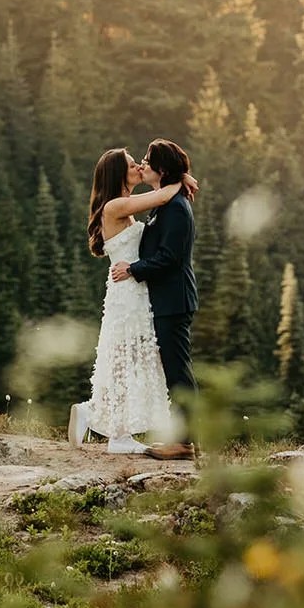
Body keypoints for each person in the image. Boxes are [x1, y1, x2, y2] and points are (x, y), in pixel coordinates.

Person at [68, 147, 197, 455]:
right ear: (117, 173)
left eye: (142, 163)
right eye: (131, 164)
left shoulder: (128, 207)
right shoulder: (116, 206)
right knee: (129, 359)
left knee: (130, 359)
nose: (139, 166)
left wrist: (177, 178)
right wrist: (180, 178)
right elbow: (163, 197)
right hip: (129, 293)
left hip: (139, 291)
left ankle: (97, 414)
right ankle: (116, 431)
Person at [111, 137, 197, 462]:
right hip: (166, 300)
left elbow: (169, 258)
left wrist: (132, 269)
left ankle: (185, 441)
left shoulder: (175, 208)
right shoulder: (167, 203)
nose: (143, 164)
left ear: (161, 168)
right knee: (174, 370)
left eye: (147, 159)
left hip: (174, 301)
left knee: (178, 372)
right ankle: (181, 438)